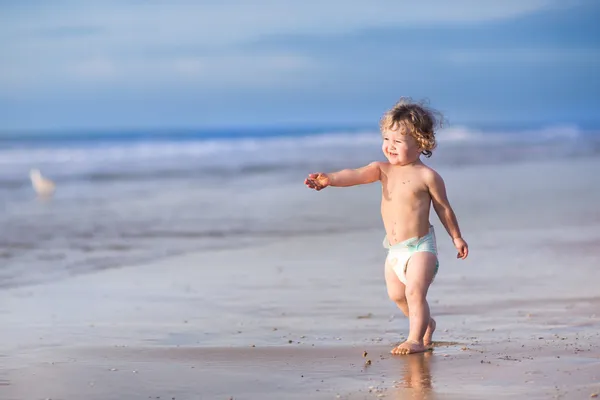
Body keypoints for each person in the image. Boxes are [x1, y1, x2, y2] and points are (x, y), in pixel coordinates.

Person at [304, 98, 468, 355]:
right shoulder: (382, 170)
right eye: (386, 139)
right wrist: (330, 179)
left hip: (420, 247)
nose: (389, 147)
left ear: (421, 143)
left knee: (414, 291)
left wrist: (456, 237)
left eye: (398, 142)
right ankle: (427, 323)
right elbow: (355, 175)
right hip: (394, 250)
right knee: (397, 295)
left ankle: (415, 339)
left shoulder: (428, 177)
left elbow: (443, 208)